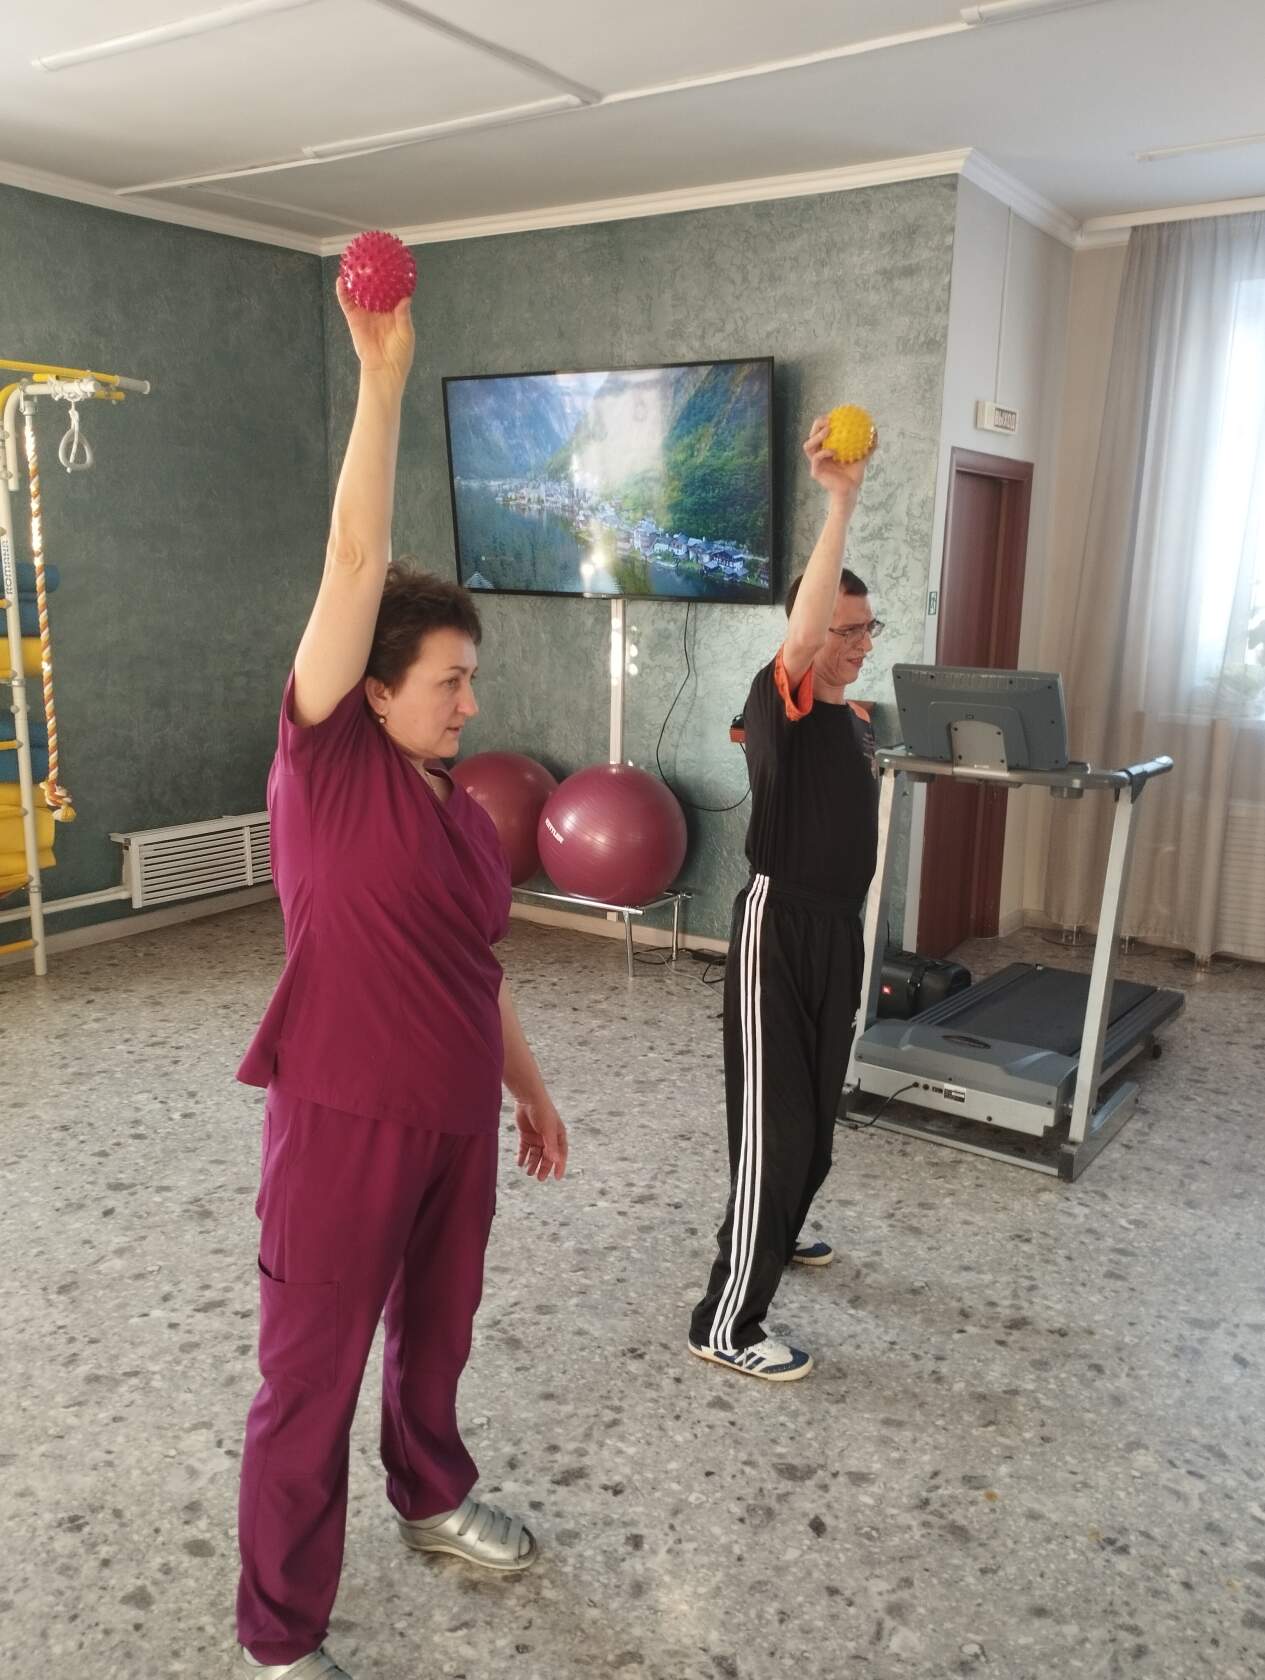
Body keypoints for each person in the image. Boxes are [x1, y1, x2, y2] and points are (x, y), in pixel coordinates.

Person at [233, 278, 568, 1680]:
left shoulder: (454, 808)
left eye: (471, 680)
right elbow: (357, 555)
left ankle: (430, 1494)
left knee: (436, 1334)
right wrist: (382, 378)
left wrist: (530, 1093)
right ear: (372, 688)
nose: (470, 704)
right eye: (449, 681)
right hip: (342, 1123)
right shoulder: (325, 761)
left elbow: (474, 967)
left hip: (452, 1119)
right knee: (310, 1378)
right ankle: (279, 1633)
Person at [688, 413, 879, 1382]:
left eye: (866, 629)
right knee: (778, 1126)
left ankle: (782, 1220)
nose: (855, 645)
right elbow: (802, 634)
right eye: (842, 631)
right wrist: (839, 502)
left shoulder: (856, 722)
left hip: (836, 935)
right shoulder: (781, 700)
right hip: (778, 928)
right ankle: (725, 1322)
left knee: (814, 1128)